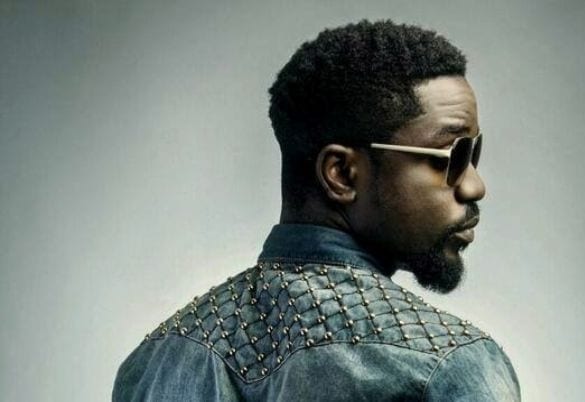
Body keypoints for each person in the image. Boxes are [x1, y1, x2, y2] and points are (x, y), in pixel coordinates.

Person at [113, 19, 520, 401]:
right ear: (341, 173)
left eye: (474, 153)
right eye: (452, 155)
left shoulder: (155, 359)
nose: (474, 185)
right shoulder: (451, 365)